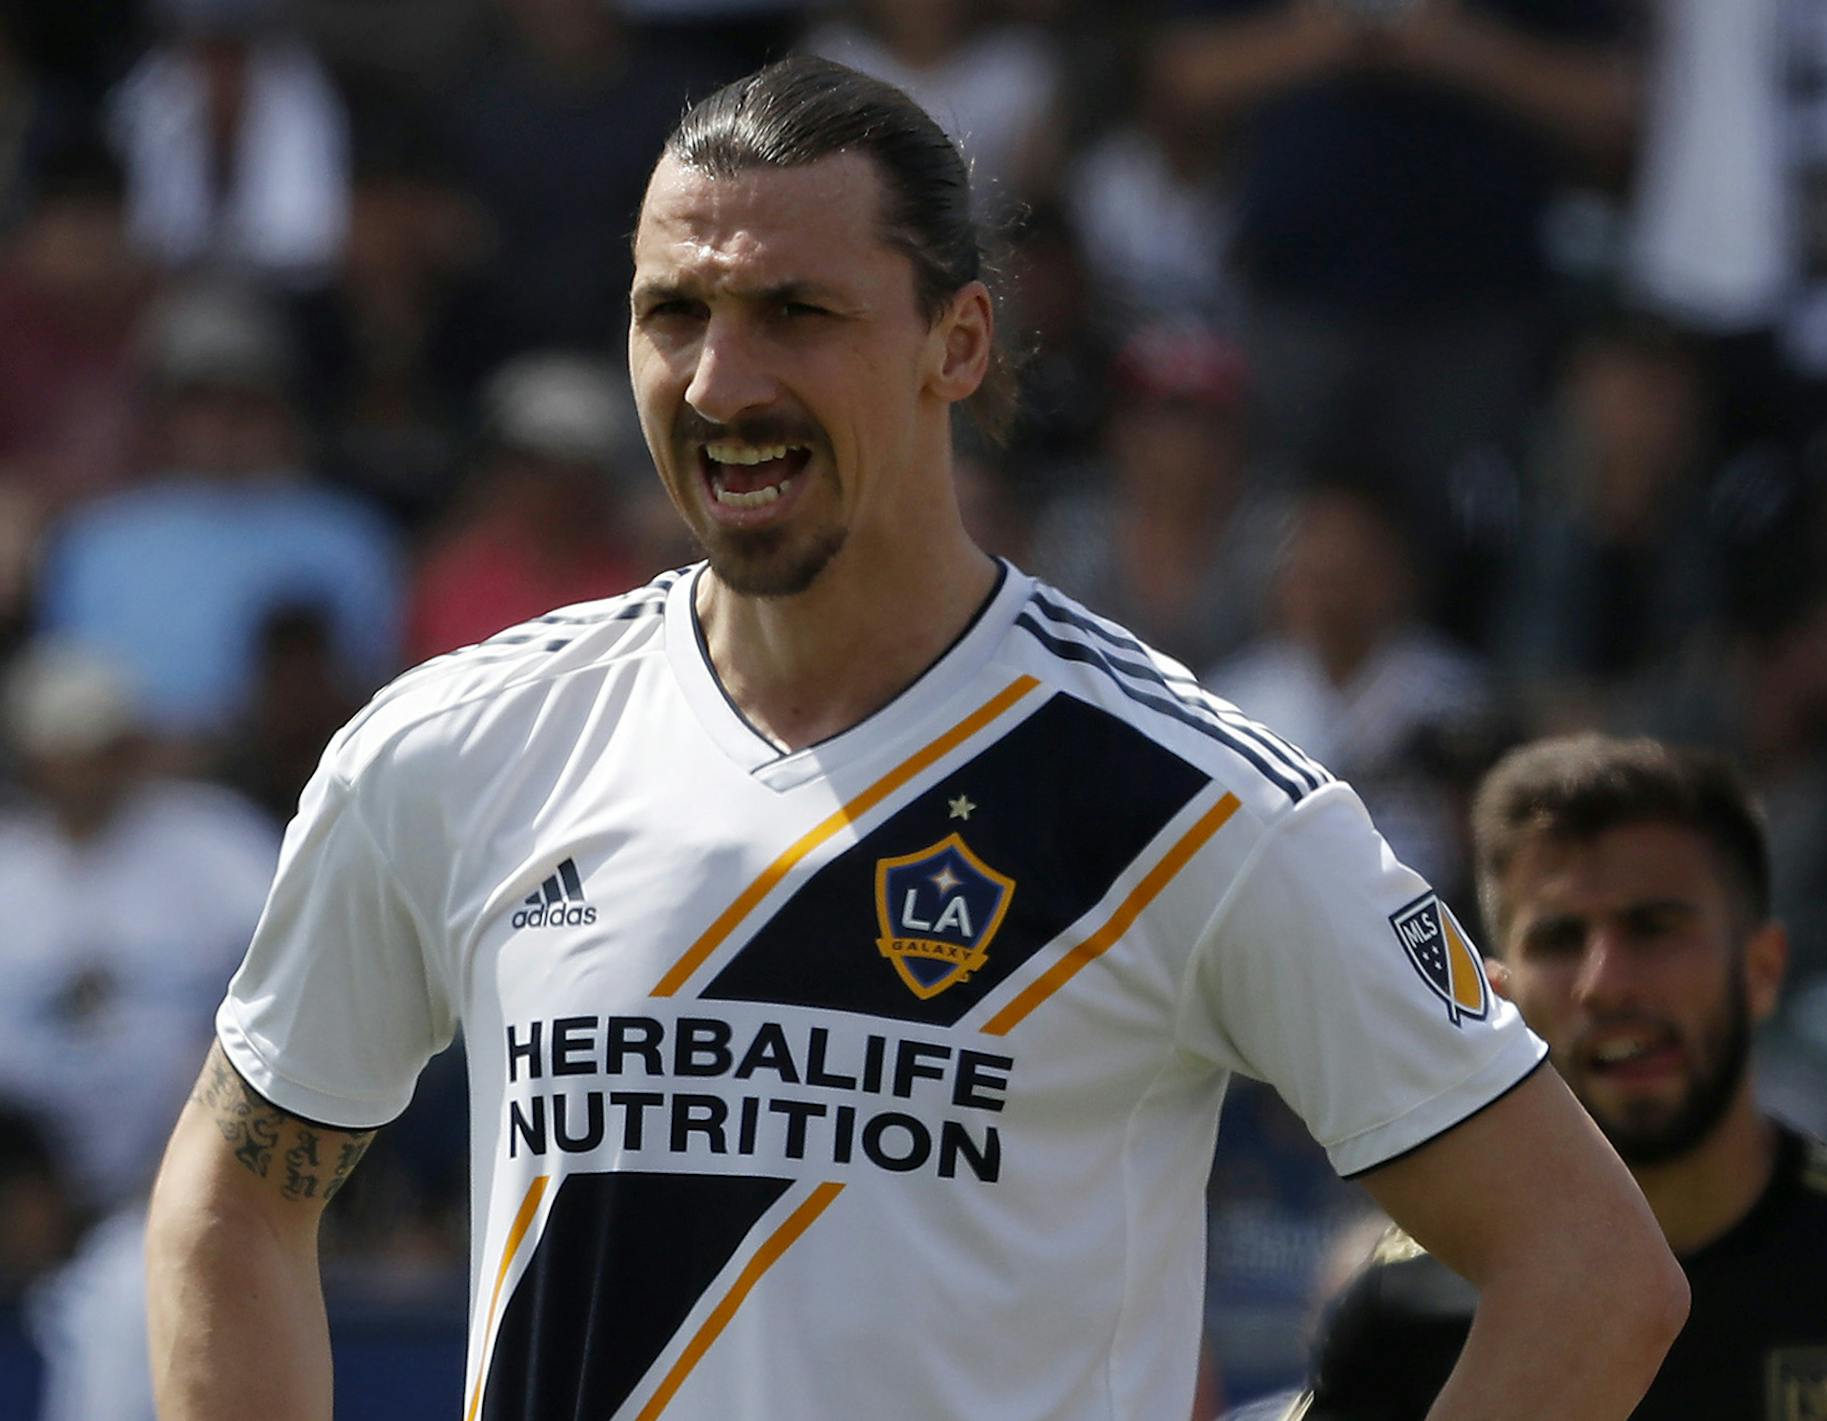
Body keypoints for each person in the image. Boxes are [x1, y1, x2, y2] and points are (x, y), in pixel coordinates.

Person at [143, 56, 1685, 1421]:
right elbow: (229, 1202)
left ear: (956, 345)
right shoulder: (457, 748)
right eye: (672, 312)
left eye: (796, 314)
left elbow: (1594, 1275)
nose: (721, 382)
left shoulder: (1188, 800)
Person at [1300, 734, 1827, 1419]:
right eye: (1561, 939)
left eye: (1656, 927)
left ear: (1760, 969)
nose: (1608, 982)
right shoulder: (1403, 1302)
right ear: (1502, 995)